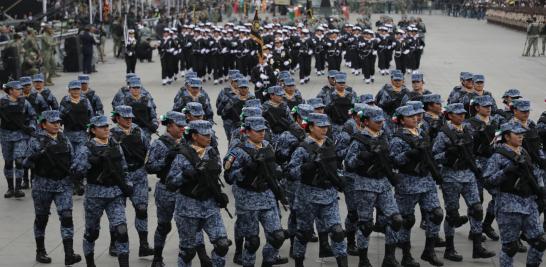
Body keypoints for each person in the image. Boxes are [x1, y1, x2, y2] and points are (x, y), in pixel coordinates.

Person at [432, 103, 496, 262]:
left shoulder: (468, 130)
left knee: (477, 208)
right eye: (457, 114)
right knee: (452, 213)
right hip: (451, 177)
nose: (461, 116)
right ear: (449, 116)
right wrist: (448, 153)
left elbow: (472, 151)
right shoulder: (444, 133)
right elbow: (434, 156)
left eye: (462, 113)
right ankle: (449, 248)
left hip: (468, 175)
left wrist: (477, 166)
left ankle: (477, 247)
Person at [166, 120, 232, 266]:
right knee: (188, 251)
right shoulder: (182, 155)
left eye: (210, 135)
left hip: (210, 207)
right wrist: (185, 175)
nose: (209, 138)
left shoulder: (212, 152)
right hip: (188, 210)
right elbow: (170, 183)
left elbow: (216, 174)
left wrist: (220, 195)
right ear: (194, 136)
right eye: (205, 135)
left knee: (222, 245)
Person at [344, 105, 405, 266]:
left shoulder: (383, 136)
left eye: (381, 120)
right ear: (366, 121)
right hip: (365, 186)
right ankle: (363, 260)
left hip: (383, 184)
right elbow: (348, 164)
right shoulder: (358, 140)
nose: (380, 123)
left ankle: (389, 257)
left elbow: (390, 157)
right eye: (376, 121)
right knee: (365, 225)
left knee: (396, 219)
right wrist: (361, 157)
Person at [225, 116, 288, 267]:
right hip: (248, 201)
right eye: (258, 131)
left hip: (268, 197)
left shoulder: (267, 145)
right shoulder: (238, 151)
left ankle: (268, 261)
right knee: (252, 242)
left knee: (277, 236)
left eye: (264, 130)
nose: (262, 133)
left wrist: (279, 174)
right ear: (247, 132)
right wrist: (247, 169)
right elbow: (229, 176)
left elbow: (274, 168)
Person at [287, 113, 348, 267]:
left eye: (326, 126)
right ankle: (299, 263)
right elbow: (291, 172)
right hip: (308, 197)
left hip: (329, 195)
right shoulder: (303, 148)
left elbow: (336, 166)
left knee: (338, 232)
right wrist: (308, 167)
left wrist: (341, 177)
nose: (324, 129)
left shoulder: (329, 143)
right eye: (321, 126)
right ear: (311, 127)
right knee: (304, 234)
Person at [71, 115, 132, 267]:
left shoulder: (115, 145)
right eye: (101, 127)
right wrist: (91, 163)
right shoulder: (86, 149)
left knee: (122, 231)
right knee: (92, 233)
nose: (106, 129)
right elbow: (75, 172)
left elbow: (124, 168)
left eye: (107, 126)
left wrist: (128, 184)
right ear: (92, 130)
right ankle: (90, 263)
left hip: (115, 194)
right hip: (95, 196)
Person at [484, 122, 546, 267]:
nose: (521, 136)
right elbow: (487, 181)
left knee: (539, 242)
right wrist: (505, 172)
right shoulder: (498, 156)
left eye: (522, 134)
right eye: (517, 134)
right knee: (510, 247)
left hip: (529, 204)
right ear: (506, 136)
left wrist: (541, 190)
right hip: (508, 207)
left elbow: (535, 173)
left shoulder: (523, 151)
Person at [23, 110, 81, 265]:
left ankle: (69, 253)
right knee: (41, 219)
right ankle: (40, 251)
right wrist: (38, 155)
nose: (57, 125)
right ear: (43, 124)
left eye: (58, 122)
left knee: (67, 217)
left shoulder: (64, 139)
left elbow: (73, 159)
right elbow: (25, 163)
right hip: (43, 185)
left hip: (63, 185)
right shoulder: (36, 140)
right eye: (53, 122)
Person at [389, 105, 443, 267]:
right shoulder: (397, 139)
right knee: (407, 220)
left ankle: (429, 251)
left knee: (436, 214)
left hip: (426, 181)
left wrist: (436, 173)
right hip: (408, 182)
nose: (414, 118)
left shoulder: (422, 133)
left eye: (416, 115)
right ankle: (406, 255)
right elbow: (395, 161)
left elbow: (429, 155)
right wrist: (409, 154)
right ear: (401, 120)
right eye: (409, 116)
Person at [110, 106, 154, 258]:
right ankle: (114, 243)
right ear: (117, 118)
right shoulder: (111, 134)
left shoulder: (138, 131)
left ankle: (144, 244)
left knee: (142, 209)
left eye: (130, 117)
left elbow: (148, 149)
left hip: (139, 174)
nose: (129, 120)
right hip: (120, 177)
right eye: (125, 117)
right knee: (117, 213)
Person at [146, 111, 188, 267]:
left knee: (187, 226)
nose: (183, 129)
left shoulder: (187, 142)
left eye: (184, 125)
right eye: (179, 126)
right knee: (164, 225)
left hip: (185, 190)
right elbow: (149, 167)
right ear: (169, 126)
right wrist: (166, 159)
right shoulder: (159, 144)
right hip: (166, 190)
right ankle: (157, 257)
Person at [0, 80, 36, 198]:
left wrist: (31, 127)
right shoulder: (2, 103)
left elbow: (32, 116)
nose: (21, 91)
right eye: (18, 89)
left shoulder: (24, 102)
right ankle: (10, 188)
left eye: (21, 89)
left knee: (19, 161)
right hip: (6, 136)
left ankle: (18, 188)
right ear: (10, 91)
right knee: (8, 162)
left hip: (21, 135)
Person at [59, 80, 94, 155]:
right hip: (69, 133)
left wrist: (92, 128)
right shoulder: (65, 101)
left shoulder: (85, 101)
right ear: (69, 90)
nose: (76, 91)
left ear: (80, 90)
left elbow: (91, 114)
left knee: (81, 155)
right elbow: (60, 116)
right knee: (70, 155)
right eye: (73, 89)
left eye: (77, 89)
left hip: (82, 133)